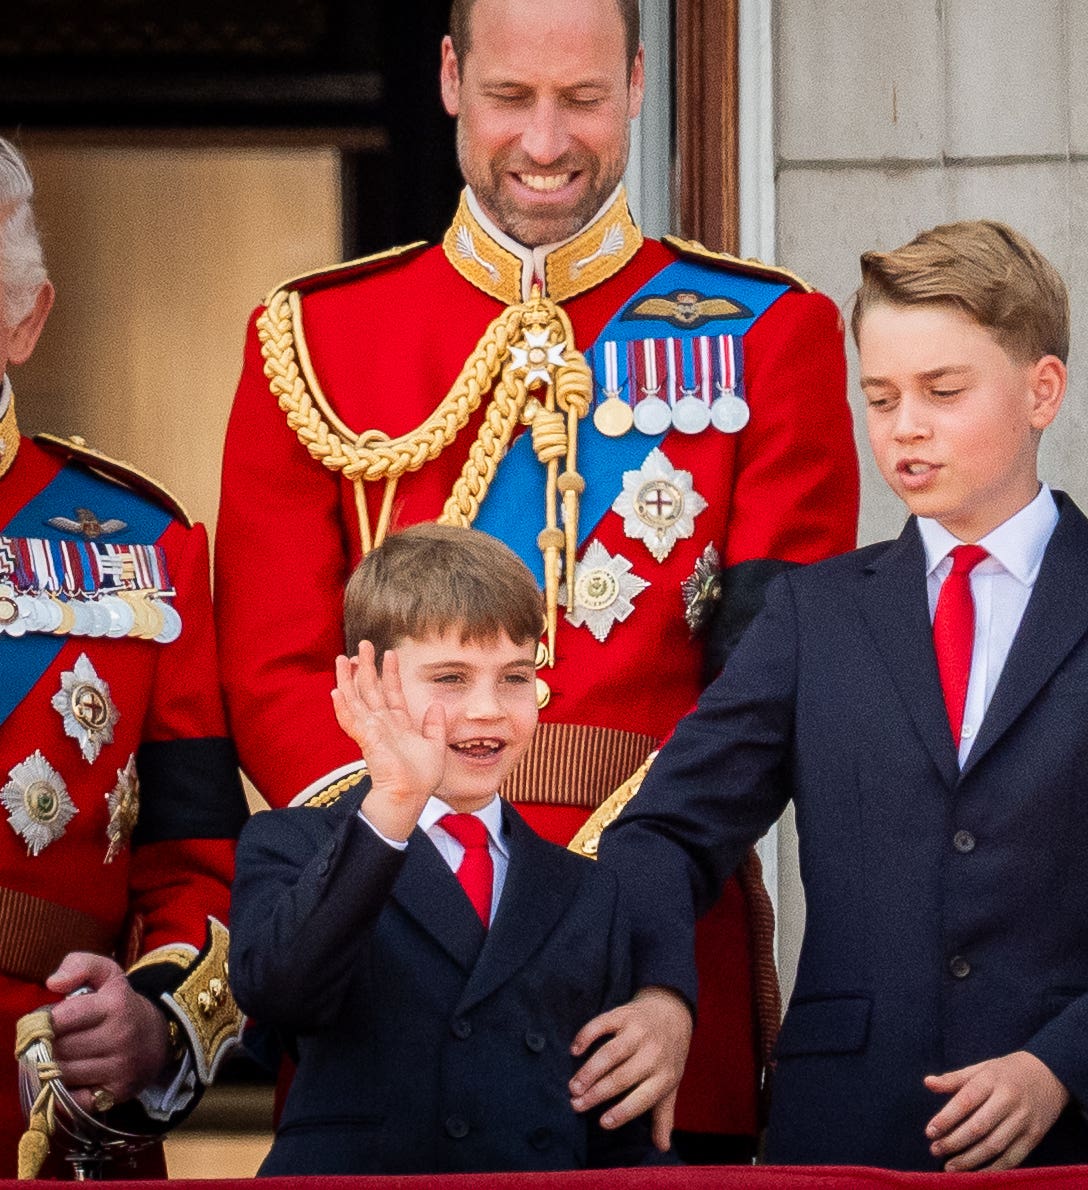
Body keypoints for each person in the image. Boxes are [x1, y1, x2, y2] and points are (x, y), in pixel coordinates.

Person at [212, 0, 858, 1153]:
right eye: (513, 97)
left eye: (584, 99)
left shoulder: (772, 330)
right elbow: (269, 677)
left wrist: (630, 918)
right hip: (386, 950)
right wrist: (400, 877)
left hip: (648, 973)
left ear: (642, 82)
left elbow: (770, 694)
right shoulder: (312, 337)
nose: (548, 142)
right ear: (452, 78)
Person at [594, 220, 1088, 1170]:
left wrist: (1060, 1066)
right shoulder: (809, 616)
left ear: (1043, 390)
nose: (905, 426)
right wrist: (662, 992)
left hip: (1082, 1136)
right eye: (880, 397)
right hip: (846, 1131)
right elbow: (664, 833)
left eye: (943, 393)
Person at [229, 525, 655, 1175]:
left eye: (515, 677)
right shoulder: (292, 843)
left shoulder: (588, 891)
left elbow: (612, 1134)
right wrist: (394, 803)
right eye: (451, 678)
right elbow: (280, 992)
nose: (488, 710)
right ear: (371, 680)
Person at [0, 135, 247, 1175]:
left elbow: (204, 866)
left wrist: (152, 1018)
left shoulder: (141, 544)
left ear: (26, 316)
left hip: (47, 1111)